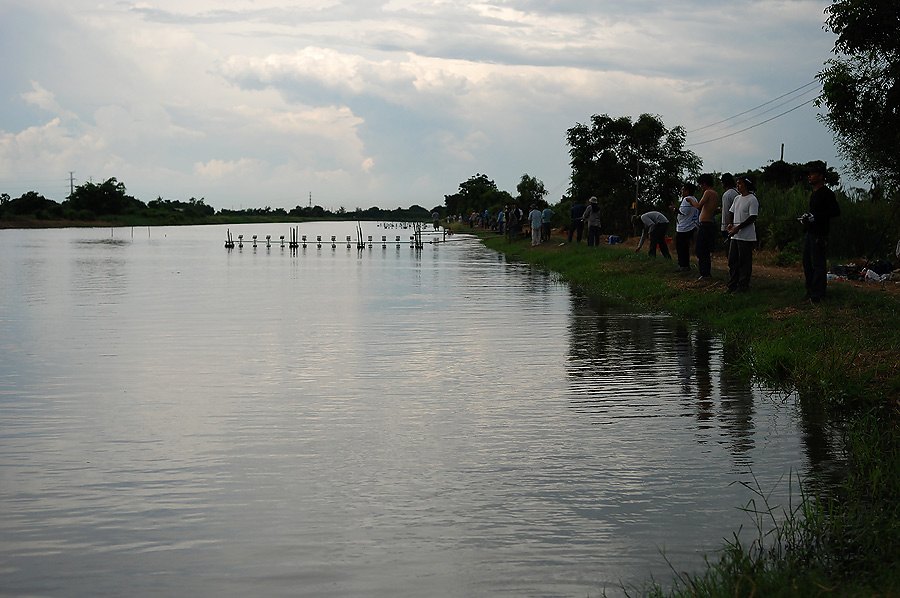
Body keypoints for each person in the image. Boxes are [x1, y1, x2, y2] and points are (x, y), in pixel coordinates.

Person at [802, 161, 841, 303]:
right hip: (810, 233)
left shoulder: (827, 193)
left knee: (818, 264)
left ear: (820, 176)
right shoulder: (814, 194)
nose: (809, 176)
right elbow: (815, 213)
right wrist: (807, 217)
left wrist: (816, 217)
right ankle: (811, 291)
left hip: (819, 234)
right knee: (807, 262)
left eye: (812, 174)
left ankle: (818, 295)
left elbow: (835, 211)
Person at [725, 176, 759, 292]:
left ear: (746, 185)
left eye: (740, 184)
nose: (738, 186)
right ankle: (732, 284)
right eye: (737, 183)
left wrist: (739, 227)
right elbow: (731, 212)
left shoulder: (752, 199)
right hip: (735, 235)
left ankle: (743, 285)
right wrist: (730, 224)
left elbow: (753, 217)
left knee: (744, 262)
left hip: (746, 237)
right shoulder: (737, 198)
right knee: (732, 260)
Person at [687, 174, 720, 280]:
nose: (700, 187)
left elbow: (698, 206)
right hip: (710, 224)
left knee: (701, 250)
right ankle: (706, 273)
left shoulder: (708, 192)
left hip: (705, 225)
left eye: (701, 184)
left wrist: (690, 200)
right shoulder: (715, 193)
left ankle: (704, 273)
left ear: (704, 183)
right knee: (706, 249)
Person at [674, 182, 699, 271]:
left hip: (684, 227)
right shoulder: (694, 199)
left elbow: (683, 212)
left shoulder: (687, 200)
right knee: (685, 247)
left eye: (684, 189)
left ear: (687, 191)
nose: (682, 191)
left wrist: (674, 209)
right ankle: (685, 264)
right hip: (690, 226)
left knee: (681, 247)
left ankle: (683, 265)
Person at [720, 173, 739, 256]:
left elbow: (727, 212)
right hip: (738, 224)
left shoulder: (727, 195)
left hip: (729, 225)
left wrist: (724, 227)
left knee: (730, 250)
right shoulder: (738, 192)